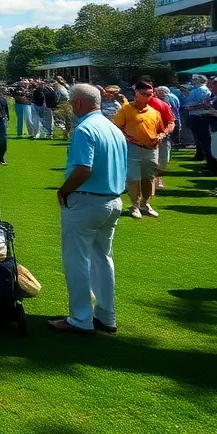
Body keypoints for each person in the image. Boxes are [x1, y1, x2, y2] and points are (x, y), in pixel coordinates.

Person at [52, 84, 127, 335]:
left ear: (78, 103)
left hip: (87, 200)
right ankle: (106, 315)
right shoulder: (113, 127)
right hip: (112, 199)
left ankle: (81, 318)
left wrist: (63, 190)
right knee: (102, 259)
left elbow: (84, 168)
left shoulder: (85, 129)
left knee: (77, 260)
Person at [112, 82, 165, 218]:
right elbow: (116, 127)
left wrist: (160, 136)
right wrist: (126, 138)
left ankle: (144, 203)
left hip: (151, 149)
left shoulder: (154, 112)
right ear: (136, 93)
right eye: (145, 94)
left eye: (150, 94)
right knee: (133, 178)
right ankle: (134, 205)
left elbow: (161, 129)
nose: (148, 97)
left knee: (148, 178)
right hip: (133, 148)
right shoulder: (126, 109)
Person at [184, 75, 214, 172]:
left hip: (201, 116)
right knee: (201, 140)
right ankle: (208, 161)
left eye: (194, 80)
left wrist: (191, 107)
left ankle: (211, 164)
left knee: (205, 141)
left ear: (200, 80)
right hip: (195, 116)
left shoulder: (204, 90)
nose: (192, 81)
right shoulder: (195, 90)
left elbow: (206, 104)